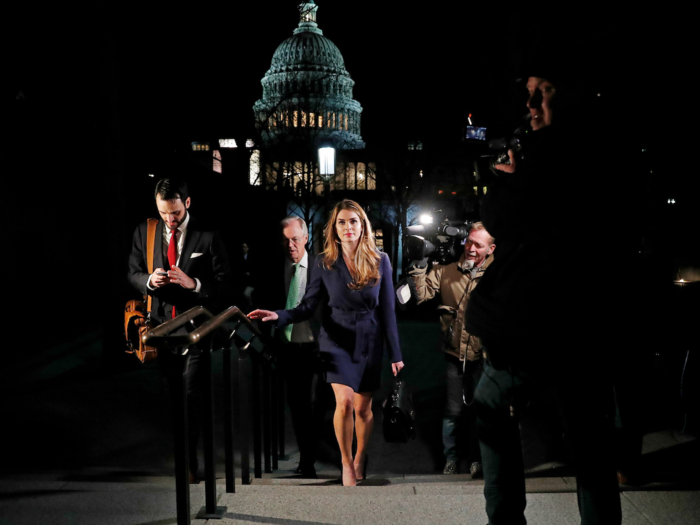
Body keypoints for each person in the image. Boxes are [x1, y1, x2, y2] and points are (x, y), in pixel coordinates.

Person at [465, 65, 625, 523]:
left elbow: (500, 217)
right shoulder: (602, 152)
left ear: (570, 97)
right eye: (530, 93)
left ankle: (506, 517)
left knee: (491, 404)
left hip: (541, 324)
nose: (530, 105)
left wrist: (509, 177)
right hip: (586, 323)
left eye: (543, 93)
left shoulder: (554, 154)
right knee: (591, 446)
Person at [249, 199, 404, 486]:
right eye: (341, 222)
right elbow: (307, 306)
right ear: (334, 228)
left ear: (362, 226)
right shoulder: (324, 262)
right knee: (343, 404)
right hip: (335, 341)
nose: (347, 227)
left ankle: (360, 458)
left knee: (363, 409)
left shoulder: (380, 260)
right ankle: (346, 462)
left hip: (368, 342)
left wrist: (395, 353)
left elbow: (388, 312)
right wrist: (279, 315)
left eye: (353, 222)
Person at [127, 177, 232, 483]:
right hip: (160, 329)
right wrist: (149, 280)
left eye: (174, 213)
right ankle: (184, 457)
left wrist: (195, 284)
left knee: (191, 396)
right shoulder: (144, 232)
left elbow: (226, 286)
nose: (169, 220)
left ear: (186, 203)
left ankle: (189, 464)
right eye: (163, 214)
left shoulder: (208, 235)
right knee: (174, 398)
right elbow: (131, 273)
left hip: (195, 330)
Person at [408, 222, 495, 477]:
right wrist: (420, 264)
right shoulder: (447, 270)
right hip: (454, 353)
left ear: (490, 249)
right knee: (453, 411)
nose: (470, 248)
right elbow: (421, 296)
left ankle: (478, 460)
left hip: (485, 357)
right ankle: (451, 460)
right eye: (469, 241)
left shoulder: (497, 274)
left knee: (482, 410)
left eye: (478, 245)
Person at [258, 216, 328, 478]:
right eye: (286, 240)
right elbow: (265, 303)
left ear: (306, 238)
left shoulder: (322, 266)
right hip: (288, 347)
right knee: (298, 405)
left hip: (317, 346)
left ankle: (315, 453)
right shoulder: (274, 268)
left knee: (318, 404)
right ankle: (307, 460)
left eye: (296, 239)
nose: (291, 245)